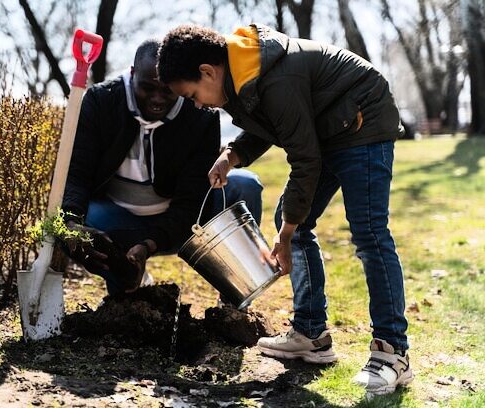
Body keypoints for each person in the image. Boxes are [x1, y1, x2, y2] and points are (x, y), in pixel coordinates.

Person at [157, 24, 411, 395]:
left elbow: (304, 157)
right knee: (290, 220)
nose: (197, 104)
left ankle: (393, 352)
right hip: (328, 128)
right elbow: (270, 125)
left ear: (207, 72)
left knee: (368, 232)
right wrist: (232, 155)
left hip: (362, 121)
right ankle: (311, 333)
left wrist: (287, 234)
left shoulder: (275, 76)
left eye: (192, 94)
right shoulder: (244, 76)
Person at [58, 39, 263, 297]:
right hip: (118, 219)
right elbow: (77, 173)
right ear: (132, 74)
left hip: (184, 222)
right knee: (70, 223)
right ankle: (127, 283)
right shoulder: (101, 101)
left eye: (166, 90)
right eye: (146, 88)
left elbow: (191, 202)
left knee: (245, 185)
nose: (156, 99)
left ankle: (236, 297)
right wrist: (73, 222)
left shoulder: (199, 113)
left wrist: (149, 244)